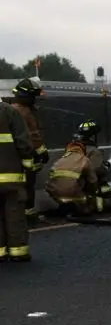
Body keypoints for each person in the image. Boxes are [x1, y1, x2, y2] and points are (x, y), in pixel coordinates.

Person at [0, 96, 34, 262]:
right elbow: (23, 142)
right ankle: (17, 251)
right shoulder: (9, 112)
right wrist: (29, 164)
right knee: (14, 212)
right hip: (11, 176)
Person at [9, 77, 48, 223]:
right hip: (24, 156)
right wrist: (42, 152)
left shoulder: (11, 109)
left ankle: (17, 215)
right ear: (27, 96)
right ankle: (29, 214)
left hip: (11, 156)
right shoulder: (24, 112)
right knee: (28, 184)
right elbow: (32, 135)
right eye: (33, 96)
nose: (35, 100)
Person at [44, 135, 99, 217]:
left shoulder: (60, 160)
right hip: (74, 193)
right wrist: (92, 193)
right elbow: (93, 180)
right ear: (82, 150)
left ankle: (64, 205)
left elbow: (50, 178)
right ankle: (81, 209)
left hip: (55, 193)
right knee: (86, 210)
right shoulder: (84, 159)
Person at [74, 120, 111, 213]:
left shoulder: (73, 149)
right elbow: (94, 171)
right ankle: (92, 205)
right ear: (93, 136)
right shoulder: (94, 151)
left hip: (68, 189)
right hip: (83, 188)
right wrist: (104, 168)